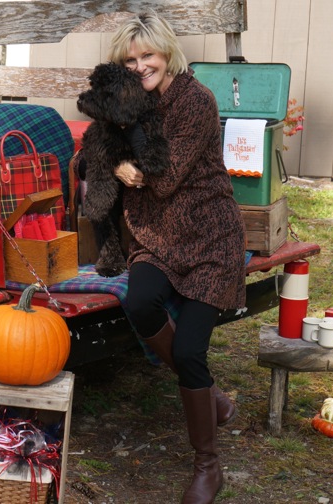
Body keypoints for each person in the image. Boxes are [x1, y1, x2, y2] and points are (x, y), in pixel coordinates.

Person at [107, 12, 246, 504]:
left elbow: (163, 178)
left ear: (166, 53)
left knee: (189, 351)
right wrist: (116, 160)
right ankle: (211, 400)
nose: (140, 65)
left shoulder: (196, 102)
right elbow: (99, 154)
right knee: (139, 302)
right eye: (130, 59)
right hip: (157, 240)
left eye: (148, 55)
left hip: (209, 240)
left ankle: (208, 466)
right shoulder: (125, 105)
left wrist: (131, 163)